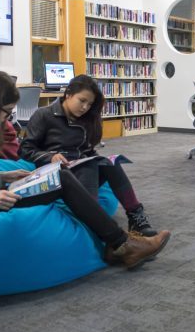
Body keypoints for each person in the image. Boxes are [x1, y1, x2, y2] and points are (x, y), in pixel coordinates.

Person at [0, 71, 170, 269]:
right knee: (60, 177)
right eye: (6, 113)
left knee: (69, 173)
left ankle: (123, 238)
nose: (7, 120)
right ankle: (121, 245)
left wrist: (2, 178)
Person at [20, 74, 161, 237]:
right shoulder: (44, 114)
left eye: (89, 104)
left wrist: (97, 158)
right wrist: (50, 157)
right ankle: (93, 222)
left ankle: (136, 217)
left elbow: (87, 150)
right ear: (69, 94)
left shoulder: (87, 119)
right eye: (82, 101)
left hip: (80, 170)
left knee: (110, 163)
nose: (85, 107)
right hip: (55, 174)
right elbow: (25, 149)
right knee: (88, 165)